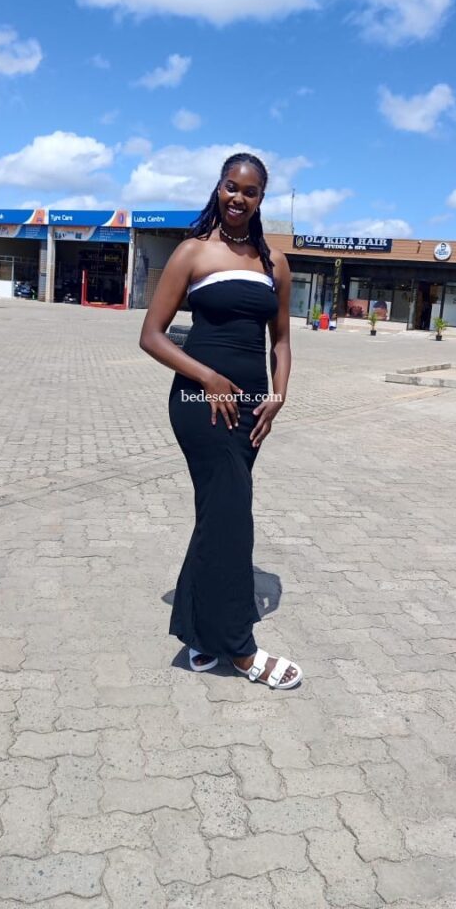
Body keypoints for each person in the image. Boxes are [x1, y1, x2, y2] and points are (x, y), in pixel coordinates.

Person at [139, 153, 302, 690]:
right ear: (218, 188)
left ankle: (198, 633)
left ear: (261, 200)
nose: (238, 198)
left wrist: (278, 395)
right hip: (200, 402)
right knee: (234, 518)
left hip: (252, 409)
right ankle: (240, 649)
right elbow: (151, 336)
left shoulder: (274, 263)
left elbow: (281, 341)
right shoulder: (192, 252)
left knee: (218, 514)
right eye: (232, 187)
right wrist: (207, 377)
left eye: (250, 192)